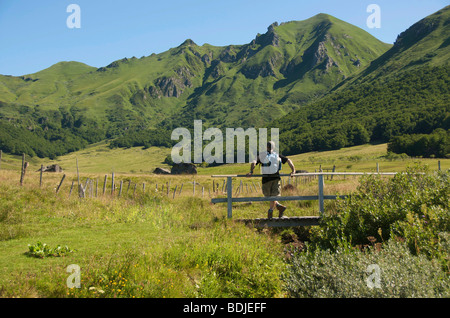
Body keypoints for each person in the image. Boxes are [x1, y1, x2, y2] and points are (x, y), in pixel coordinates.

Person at [246, 141, 296, 219]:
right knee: (273, 197)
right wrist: (293, 171)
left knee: (269, 197)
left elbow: (253, 162)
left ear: (266, 147)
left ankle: (270, 212)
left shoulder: (262, 155)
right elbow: (289, 161)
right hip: (276, 178)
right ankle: (279, 207)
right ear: (273, 147)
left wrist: (251, 172)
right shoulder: (277, 155)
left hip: (266, 179)